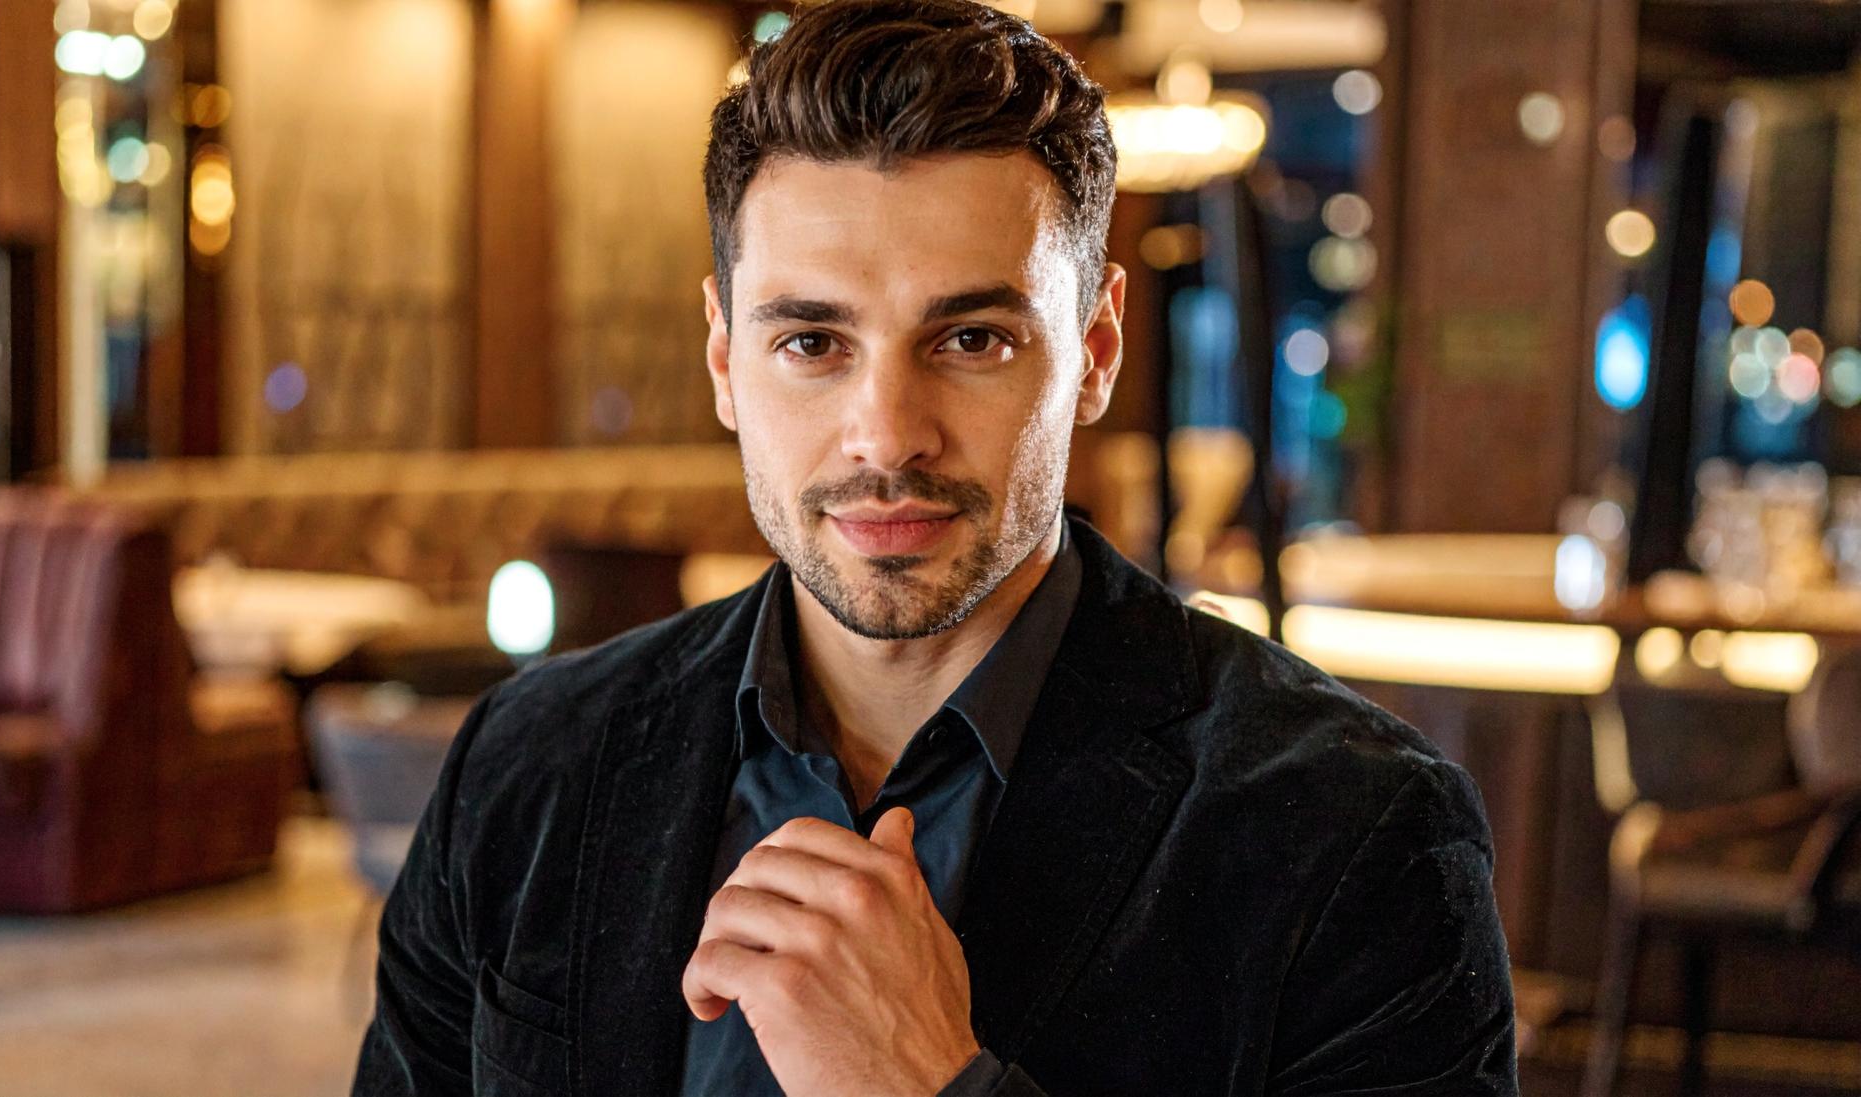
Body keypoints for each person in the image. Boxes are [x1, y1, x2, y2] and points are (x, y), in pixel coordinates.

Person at [352, 0, 1519, 1093]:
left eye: (970, 339)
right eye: (813, 343)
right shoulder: (527, 760)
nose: (887, 435)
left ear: (1097, 347)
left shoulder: (1358, 831)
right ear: (723, 358)